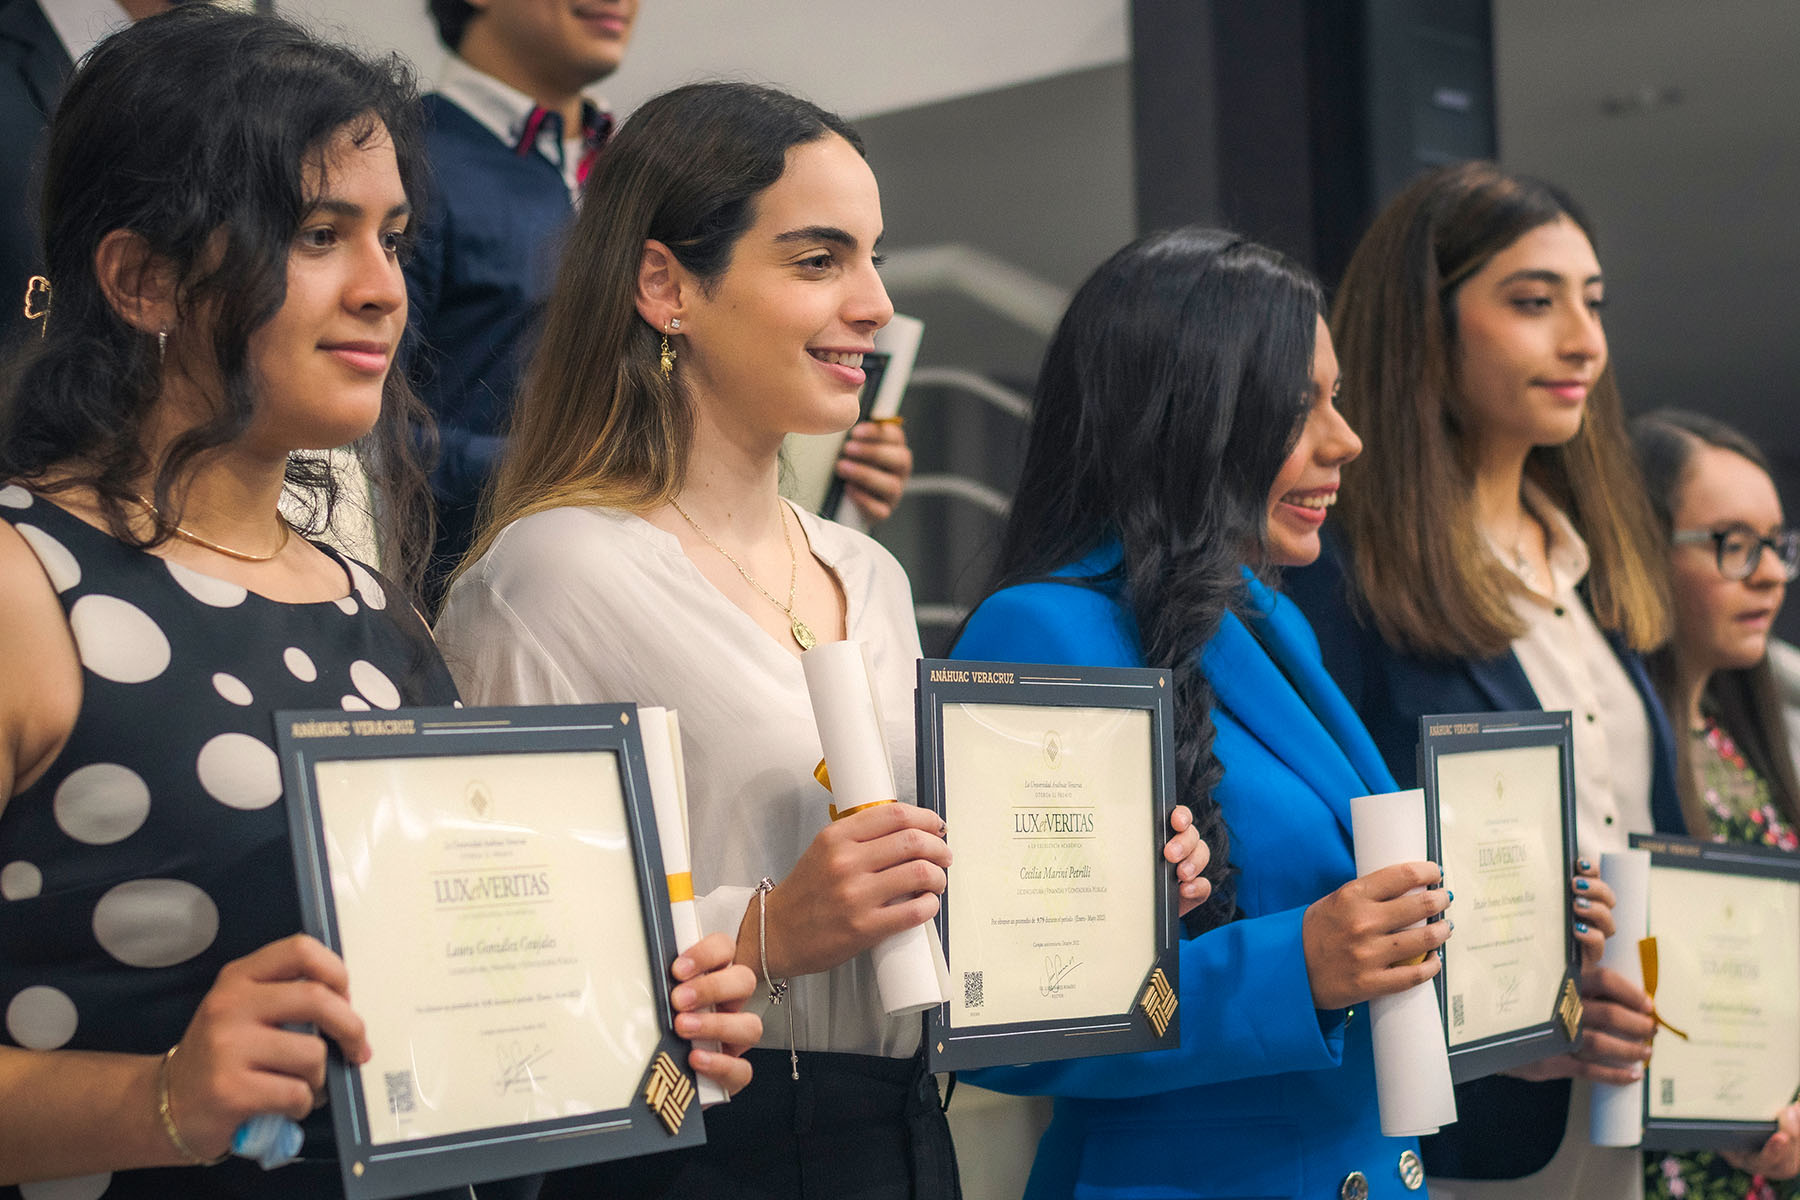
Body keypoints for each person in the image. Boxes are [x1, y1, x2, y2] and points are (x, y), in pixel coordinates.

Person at [0, 10, 756, 1198]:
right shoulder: (22, 584)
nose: (381, 290)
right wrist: (160, 1101)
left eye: (394, 239)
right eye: (316, 234)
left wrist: (628, 1006)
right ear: (141, 278)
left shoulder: (371, 603)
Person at [435, 82, 1211, 1199]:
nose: (877, 304)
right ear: (666, 286)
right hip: (694, 1154)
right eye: (818, 261)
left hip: (900, 1132)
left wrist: (1096, 881)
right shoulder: (548, 578)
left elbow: (913, 899)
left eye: (875, 258)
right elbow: (501, 962)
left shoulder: (867, 573)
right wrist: (766, 931)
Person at [949, 228, 1457, 1199]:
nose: (1344, 441)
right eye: (1296, 407)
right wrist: (1296, 967)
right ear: (1190, 418)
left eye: (1335, 401)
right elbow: (1005, 1033)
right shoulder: (1043, 630)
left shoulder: (1266, 620)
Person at [1284, 160, 1677, 1199]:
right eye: (1532, 301)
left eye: (1592, 303)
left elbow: (1643, 840)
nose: (1583, 340)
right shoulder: (1342, 578)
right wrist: (1505, 1021)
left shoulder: (1595, 568)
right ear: (1424, 323)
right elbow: (1314, 885)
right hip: (1455, 1142)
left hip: (1623, 1122)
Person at [409, 0, 912, 593]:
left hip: (694, 544)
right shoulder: (409, 160)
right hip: (493, 573)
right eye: (818, 262)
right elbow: (362, 438)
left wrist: (827, 472)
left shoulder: (655, 159)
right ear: (659, 282)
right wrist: (595, 461)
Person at [1631, 409, 1800, 1200]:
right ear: (1641, 549)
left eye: (1776, 545)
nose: (1769, 572)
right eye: (1733, 543)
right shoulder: (1622, 757)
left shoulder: (1746, 738)